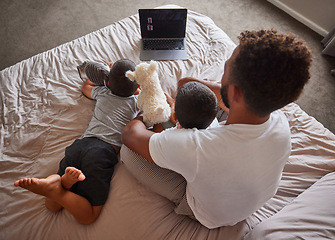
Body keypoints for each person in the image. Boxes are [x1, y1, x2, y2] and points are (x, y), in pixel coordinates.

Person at [121, 29, 312, 229]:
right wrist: (196, 89)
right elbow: (187, 85)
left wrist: (156, 107)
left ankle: (171, 160)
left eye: (227, 66)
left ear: (236, 93)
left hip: (205, 211)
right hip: (239, 192)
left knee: (129, 153)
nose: (224, 69)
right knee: (197, 99)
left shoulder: (199, 148)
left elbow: (130, 135)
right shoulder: (280, 121)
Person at [14, 59, 141, 225]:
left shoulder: (102, 92)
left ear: (108, 82)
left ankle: (58, 182)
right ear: (137, 88)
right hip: (101, 152)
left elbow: (86, 87)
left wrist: (100, 76)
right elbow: (152, 107)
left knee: (52, 206)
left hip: (81, 145)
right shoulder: (136, 102)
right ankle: (58, 192)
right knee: (89, 215)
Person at [154, 81, 219, 132]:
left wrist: (157, 118)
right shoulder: (214, 123)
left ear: (175, 117)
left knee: (159, 121)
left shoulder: (171, 135)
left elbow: (155, 137)